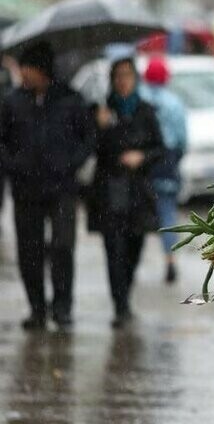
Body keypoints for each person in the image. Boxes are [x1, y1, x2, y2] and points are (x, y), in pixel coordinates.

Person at [0, 41, 94, 330]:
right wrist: (14, 164)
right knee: (29, 250)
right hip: (25, 189)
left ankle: (62, 307)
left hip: (62, 189)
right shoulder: (13, 101)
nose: (22, 74)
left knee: (63, 247)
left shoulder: (70, 100)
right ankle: (36, 309)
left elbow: (88, 138)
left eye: (26, 68)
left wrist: (71, 164)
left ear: (41, 70)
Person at [88, 56, 164, 328]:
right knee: (114, 249)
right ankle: (120, 306)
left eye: (127, 74)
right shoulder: (102, 111)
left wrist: (141, 156)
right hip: (109, 192)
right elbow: (91, 149)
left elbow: (160, 149)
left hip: (138, 193)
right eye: (117, 75)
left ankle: (125, 294)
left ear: (135, 78)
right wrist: (99, 125)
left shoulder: (145, 110)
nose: (122, 80)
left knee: (134, 247)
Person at [140, 56, 187, 284]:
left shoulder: (139, 98)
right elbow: (181, 140)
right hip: (167, 162)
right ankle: (170, 260)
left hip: (142, 163)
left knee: (137, 214)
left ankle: (132, 264)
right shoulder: (174, 102)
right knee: (167, 214)